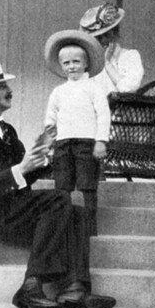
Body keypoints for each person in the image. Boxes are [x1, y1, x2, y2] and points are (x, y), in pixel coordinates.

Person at [0, 60, 117, 308]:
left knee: (77, 213)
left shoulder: (8, 131)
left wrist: (44, 159)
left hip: (10, 210)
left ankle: (75, 289)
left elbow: (23, 177)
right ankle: (31, 285)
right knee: (58, 199)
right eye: (2, 86)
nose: (9, 90)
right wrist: (21, 168)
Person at [42, 30, 110, 237]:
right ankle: (63, 225)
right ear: (61, 66)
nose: (72, 66)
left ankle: (89, 226)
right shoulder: (58, 92)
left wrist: (101, 141)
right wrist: (49, 141)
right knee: (62, 185)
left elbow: (103, 115)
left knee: (88, 184)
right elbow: (50, 118)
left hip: (86, 142)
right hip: (63, 143)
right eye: (67, 63)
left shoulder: (93, 88)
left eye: (76, 62)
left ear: (86, 63)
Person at [79, 0, 144, 95]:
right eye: (97, 38)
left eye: (105, 35)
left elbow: (128, 89)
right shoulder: (89, 64)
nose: (102, 41)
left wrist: (106, 63)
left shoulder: (129, 56)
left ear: (115, 33)